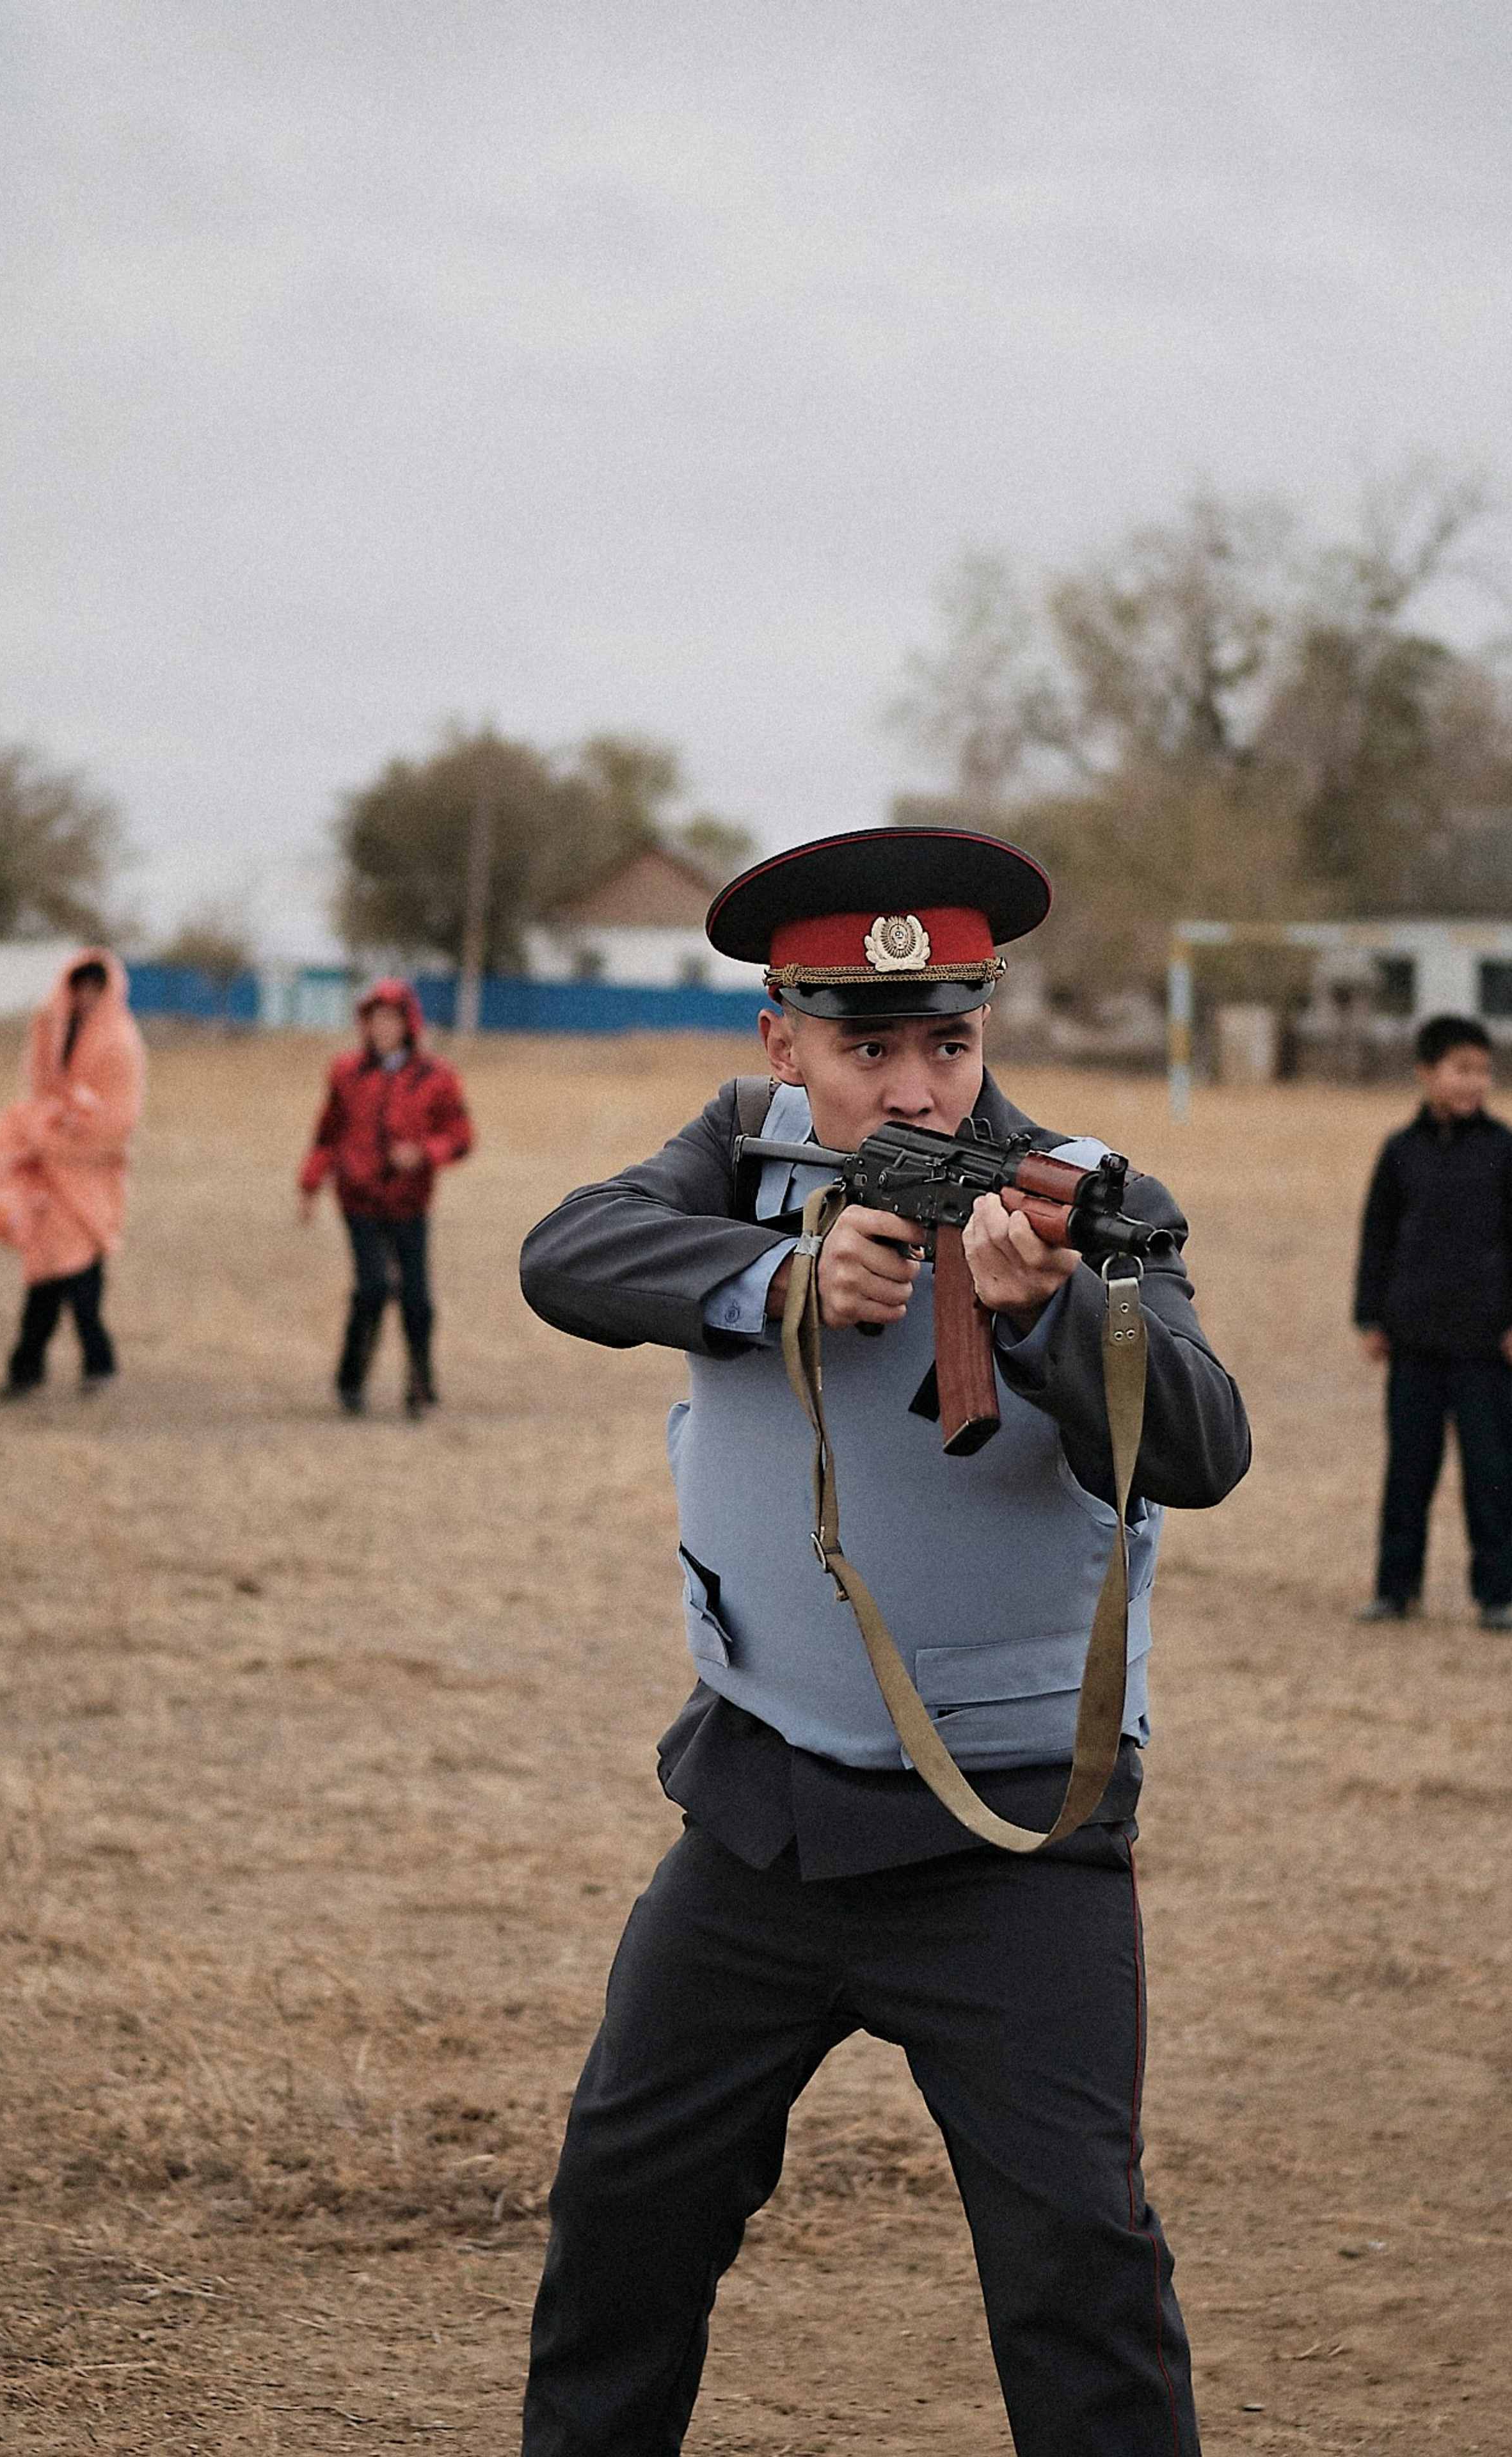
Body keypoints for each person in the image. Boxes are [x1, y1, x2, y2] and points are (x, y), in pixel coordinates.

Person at [516, 828, 1250, 2457]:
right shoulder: (733, 1148)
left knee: (1077, 2267)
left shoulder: (1086, 1193)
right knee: (623, 2214)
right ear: (780, 1041)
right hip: (757, 1821)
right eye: (865, 1046)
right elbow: (562, 1253)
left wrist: (1061, 1315)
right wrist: (779, 1275)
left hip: (1013, 1845)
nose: (916, 1089)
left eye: (949, 1040)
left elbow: (1204, 1447)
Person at [1353, 1012, 1512, 1630]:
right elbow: (1378, 1237)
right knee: (1409, 1469)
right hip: (1414, 1341)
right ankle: (1396, 1587)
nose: (1474, 1082)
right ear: (1425, 1073)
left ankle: (1497, 1592)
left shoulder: (1504, 1151)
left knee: (1493, 1473)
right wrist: (1371, 1315)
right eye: (1461, 1069)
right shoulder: (1401, 1153)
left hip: (1486, 1347)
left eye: (1483, 1070)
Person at [0, 950, 146, 1399]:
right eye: (78, 987)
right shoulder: (54, 1030)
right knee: (45, 1277)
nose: (84, 997)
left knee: (82, 1279)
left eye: (93, 989)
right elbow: (42, 1090)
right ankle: (30, 1369)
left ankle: (90, 1364)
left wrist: (62, 1133)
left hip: (88, 1178)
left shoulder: (119, 1043)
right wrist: (47, 1129)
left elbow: (117, 1119)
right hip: (50, 1180)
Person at [298, 978, 473, 1415]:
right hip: (358, 1199)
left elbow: (461, 1137)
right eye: (374, 1019)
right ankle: (351, 1380)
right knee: (373, 1287)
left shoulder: (437, 1077)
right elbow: (327, 1133)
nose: (382, 1028)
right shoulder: (347, 1072)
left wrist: (424, 1154)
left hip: (409, 1203)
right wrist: (310, 1184)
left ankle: (420, 1387)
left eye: (391, 1019)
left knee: (416, 1299)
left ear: (408, 1023)